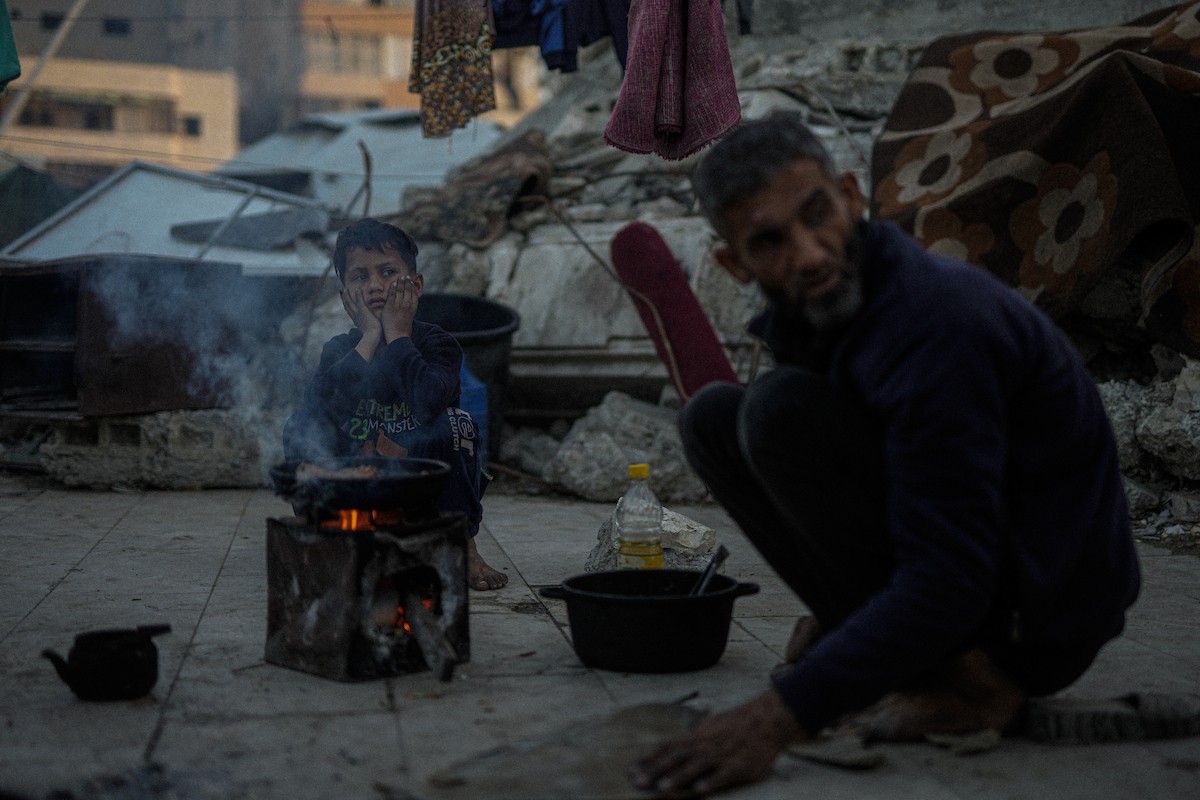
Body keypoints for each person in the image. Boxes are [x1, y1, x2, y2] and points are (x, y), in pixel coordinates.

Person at [631, 113, 1140, 795]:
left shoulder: (934, 323)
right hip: (977, 574)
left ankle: (976, 685)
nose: (809, 254)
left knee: (779, 410)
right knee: (715, 418)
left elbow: (951, 575)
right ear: (734, 263)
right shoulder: (822, 311)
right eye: (771, 241)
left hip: (1046, 615)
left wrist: (784, 716)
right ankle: (912, 651)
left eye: (818, 214)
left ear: (850, 195)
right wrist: (846, 623)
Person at [284, 218, 509, 591]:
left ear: (415, 285)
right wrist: (371, 337)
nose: (374, 286)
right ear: (345, 296)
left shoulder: (437, 344)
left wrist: (399, 335)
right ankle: (324, 539)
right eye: (359, 277)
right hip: (354, 484)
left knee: (458, 425)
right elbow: (321, 404)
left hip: (416, 483)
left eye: (388, 272)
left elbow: (430, 401)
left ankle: (462, 542)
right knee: (301, 424)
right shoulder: (340, 349)